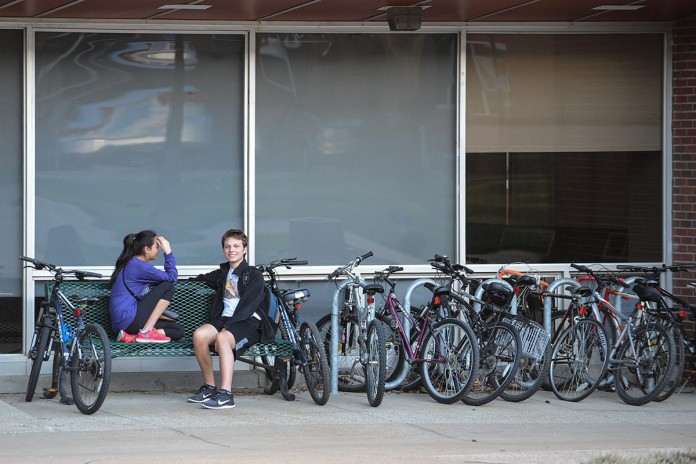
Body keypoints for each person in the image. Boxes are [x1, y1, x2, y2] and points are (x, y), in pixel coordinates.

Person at [187, 228, 274, 410]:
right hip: (225, 319)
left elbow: (248, 306)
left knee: (222, 338)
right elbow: (201, 279)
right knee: (199, 335)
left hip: (248, 321)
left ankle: (226, 394)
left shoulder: (253, 275)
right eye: (227, 246)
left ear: (244, 249)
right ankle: (210, 387)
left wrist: (227, 328)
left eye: (236, 246)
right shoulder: (223, 273)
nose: (231, 250)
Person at [109, 230, 182, 343]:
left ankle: (132, 337)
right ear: (146, 249)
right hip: (128, 320)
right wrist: (168, 251)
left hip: (126, 324)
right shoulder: (139, 266)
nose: (158, 250)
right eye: (157, 247)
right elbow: (172, 277)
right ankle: (145, 332)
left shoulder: (134, 264)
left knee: (177, 330)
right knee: (168, 287)